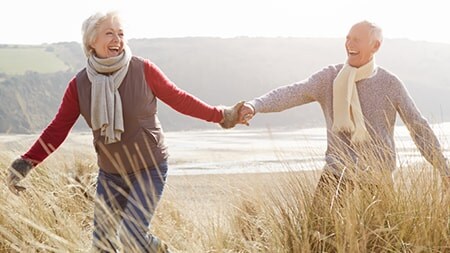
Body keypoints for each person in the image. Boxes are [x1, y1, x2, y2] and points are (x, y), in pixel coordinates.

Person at [6, 11, 242, 253]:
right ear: (91, 42)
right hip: (111, 174)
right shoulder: (79, 85)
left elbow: (180, 99)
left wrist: (221, 115)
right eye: (109, 33)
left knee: (132, 237)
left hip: (149, 168)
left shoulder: (143, 70)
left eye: (120, 33)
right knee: (102, 246)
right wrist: (25, 163)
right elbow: (57, 129)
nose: (117, 39)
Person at [238, 21, 450, 206]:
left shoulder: (390, 84)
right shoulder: (329, 78)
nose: (349, 44)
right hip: (335, 178)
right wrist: (255, 105)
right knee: (317, 243)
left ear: (375, 46)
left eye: (357, 39)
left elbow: (417, 125)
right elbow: (293, 92)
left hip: (379, 181)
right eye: (348, 38)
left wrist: (443, 168)